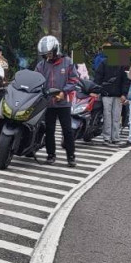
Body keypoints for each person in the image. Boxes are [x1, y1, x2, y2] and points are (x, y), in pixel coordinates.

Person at [35, 35, 77, 168]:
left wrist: (63, 92)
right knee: (49, 130)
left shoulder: (68, 62)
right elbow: (36, 80)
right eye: (45, 54)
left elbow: (74, 80)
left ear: (56, 49)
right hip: (48, 103)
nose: (47, 56)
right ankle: (50, 155)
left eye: (49, 53)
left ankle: (71, 156)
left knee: (67, 130)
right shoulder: (41, 65)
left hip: (63, 103)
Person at [93, 45, 129, 146]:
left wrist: (124, 94)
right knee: (110, 116)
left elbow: (125, 80)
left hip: (111, 94)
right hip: (109, 94)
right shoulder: (106, 63)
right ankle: (109, 138)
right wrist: (124, 94)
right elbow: (98, 78)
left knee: (113, 116)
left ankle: (111, 138)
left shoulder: (117, 64)